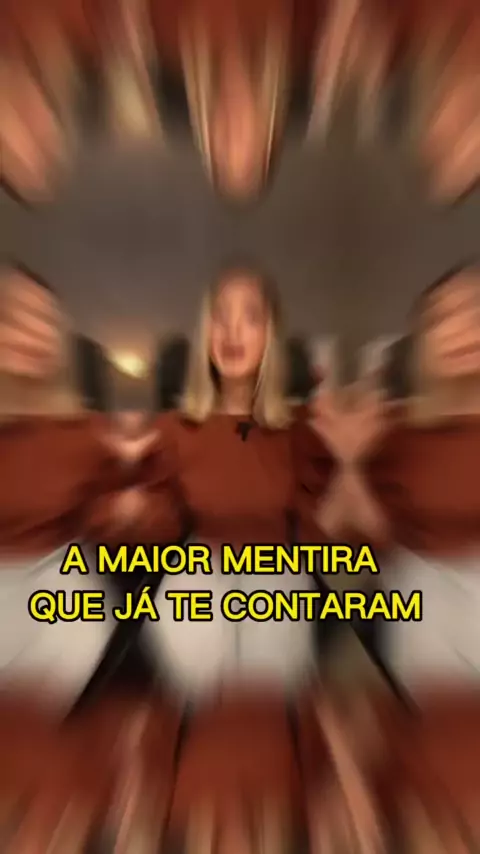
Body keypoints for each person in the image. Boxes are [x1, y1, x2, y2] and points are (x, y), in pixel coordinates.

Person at [104, 261, 385, 850]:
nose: (232, 332)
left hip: (278, 579)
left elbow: (328, 540)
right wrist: (130, 496)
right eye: (220, 317)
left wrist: (350, 466)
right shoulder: (173, 429)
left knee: (267, 706)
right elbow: (150, 532)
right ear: (205, 330)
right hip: (195, 581)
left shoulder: (302, 432)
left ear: (270, 335)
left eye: (250, 317)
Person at [341, 265, 480, 846]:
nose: (464, 328)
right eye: (445, 318)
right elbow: (362, 553)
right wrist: (352, 465)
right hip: (422, 617)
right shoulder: (393, 432)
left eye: (475, 313)